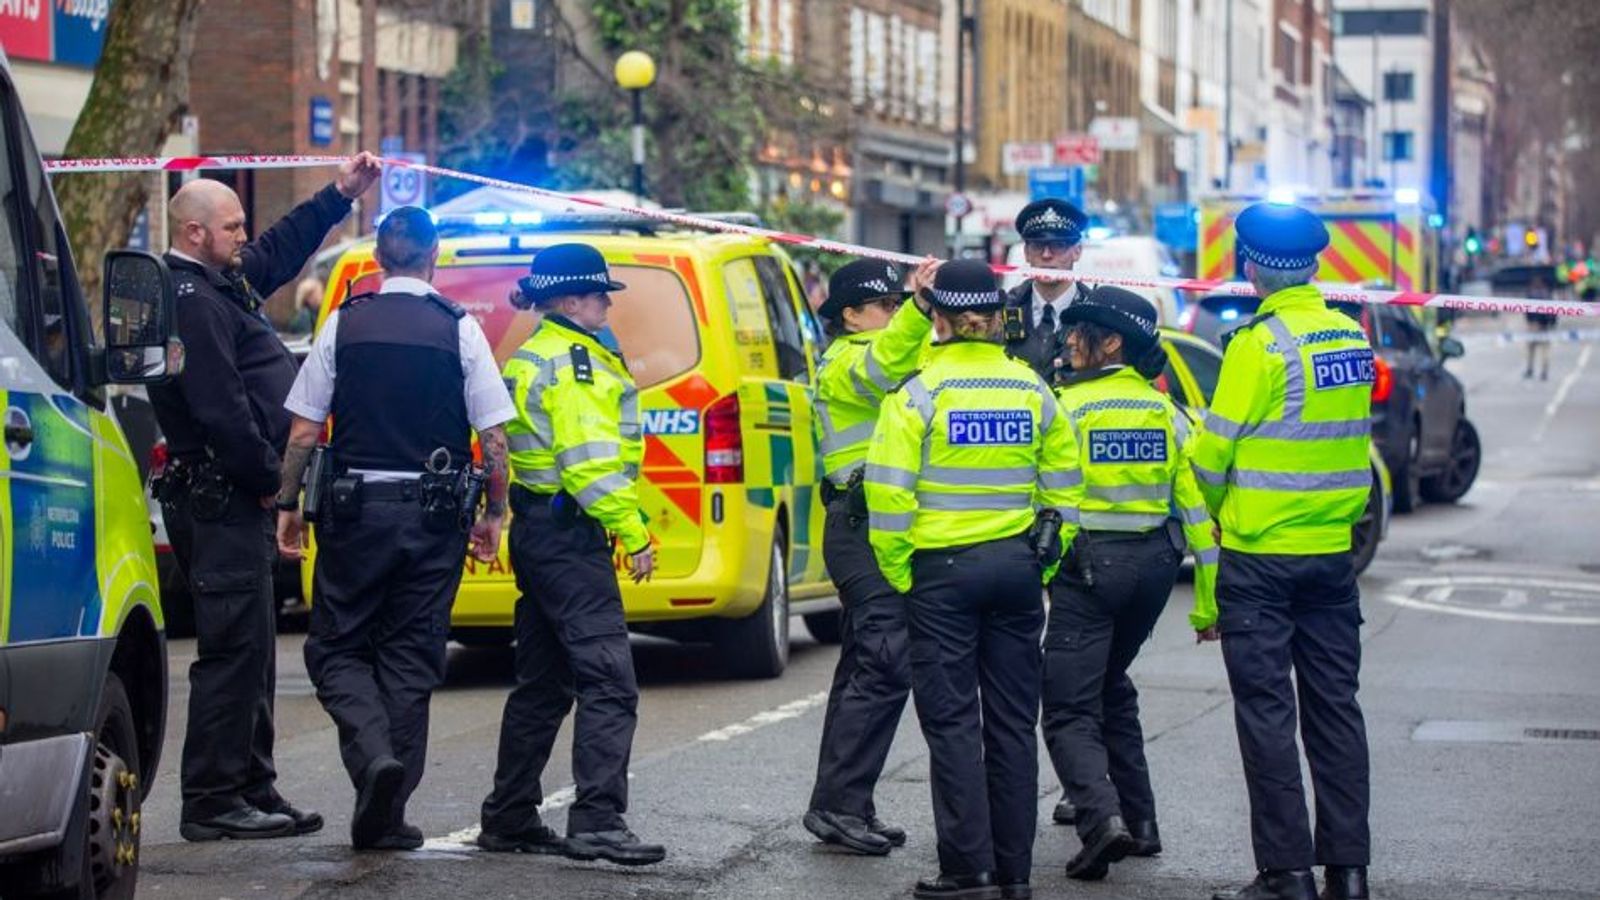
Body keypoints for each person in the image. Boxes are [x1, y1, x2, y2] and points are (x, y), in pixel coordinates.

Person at [150, 154, 381, 842]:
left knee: (254, 650)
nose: (243, 237)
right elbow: (222, 412)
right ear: (195, 233)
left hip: (233, 499)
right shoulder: (188, 301)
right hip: (222, 498)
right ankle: (214, 799)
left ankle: (252, 783)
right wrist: (270, 484)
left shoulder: (218, 280)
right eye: (231, 228)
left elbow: (279, 248)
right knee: (230, 652)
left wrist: (339, 195)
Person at [274, 206, 515, 850]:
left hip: (355, 516)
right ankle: (386, 808)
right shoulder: (459, 330)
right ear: (434, 258)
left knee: (335, 647)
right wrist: (495, 513)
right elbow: (493, 438)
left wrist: (287, 503)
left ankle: (372, 758)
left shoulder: (343, 326)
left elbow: (303, 429)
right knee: (411, 658)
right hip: (433, 518)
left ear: (379, 257)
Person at [865, 259, 1084, 900]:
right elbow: (1066, 484)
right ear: (996, 320)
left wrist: (903, 572)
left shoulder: (918, 394)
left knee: (955, 724)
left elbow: (888, 500)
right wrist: (1045, 555)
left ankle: (968, 871)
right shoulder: (1031, 389)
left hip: (942, 575)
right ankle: (1015, 873)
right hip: (1016, 570)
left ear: (937, 319)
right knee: (1014, 722)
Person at [1192, 202, 1374, 900]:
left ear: (1250, 265)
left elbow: (1213, 453)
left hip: (1260, 559)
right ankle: (1348, 872)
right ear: (1317, 264)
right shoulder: (1348, 338)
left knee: (1268, 717)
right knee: (1336, 711)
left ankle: (1286, 874)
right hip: (1333, 556)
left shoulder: (1256, 347)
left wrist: (1205, 516)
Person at [478, 242, 665, 866]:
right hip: (568, 537)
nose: (606, 305)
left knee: (544, 684)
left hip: (540, 535)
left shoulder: (534, 355)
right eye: (597, 294)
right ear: (567, 300)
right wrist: (633, 530)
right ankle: (598, 821)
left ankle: (509, 816)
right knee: (610, 681)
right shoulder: (575, 364)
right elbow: (589, 467)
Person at [1041, 286, 1220, 881]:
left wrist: (1036, 573)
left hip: (1090, 569)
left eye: (1080, 331)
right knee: (1111, 684)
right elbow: (1195, 511)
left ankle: (1101, 823)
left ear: (1110, 342)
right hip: (1155, 571)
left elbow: (1046, 500)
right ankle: (1140, 823)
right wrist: (1208, 605)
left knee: (1066, 707)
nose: (1068, 341)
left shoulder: (1068, 408)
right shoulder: (1166, 412)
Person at [803, 257, 937, 856]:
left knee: (864, 663)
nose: (892, 314)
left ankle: (846, 802)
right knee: (886, 662)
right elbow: (882, 368)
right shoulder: (844, 361)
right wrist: (921, 307)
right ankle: (837, 805)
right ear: (851, 315)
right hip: (859, 523)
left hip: (876, 521)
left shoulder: (901, 353)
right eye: (884, 306)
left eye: (894, 305)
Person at [1004, 198, 1091, 383]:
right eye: (1037, 246)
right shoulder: (1002, 310)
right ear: (1026, 253)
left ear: (1077, 251)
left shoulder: (1095, 316)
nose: (1046, 255)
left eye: (1058, 245)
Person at [1523, 275, 1556, 380]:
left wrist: (1529, 321)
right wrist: (1552, 323)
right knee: (1544, 350)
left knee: (1531, 349)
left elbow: (1527, 311)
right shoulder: (1547, 294)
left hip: (1534, 325)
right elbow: (1553, 311)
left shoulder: (1531, 293)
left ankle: (1530, 369)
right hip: (1544, 325)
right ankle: (1544, 371)